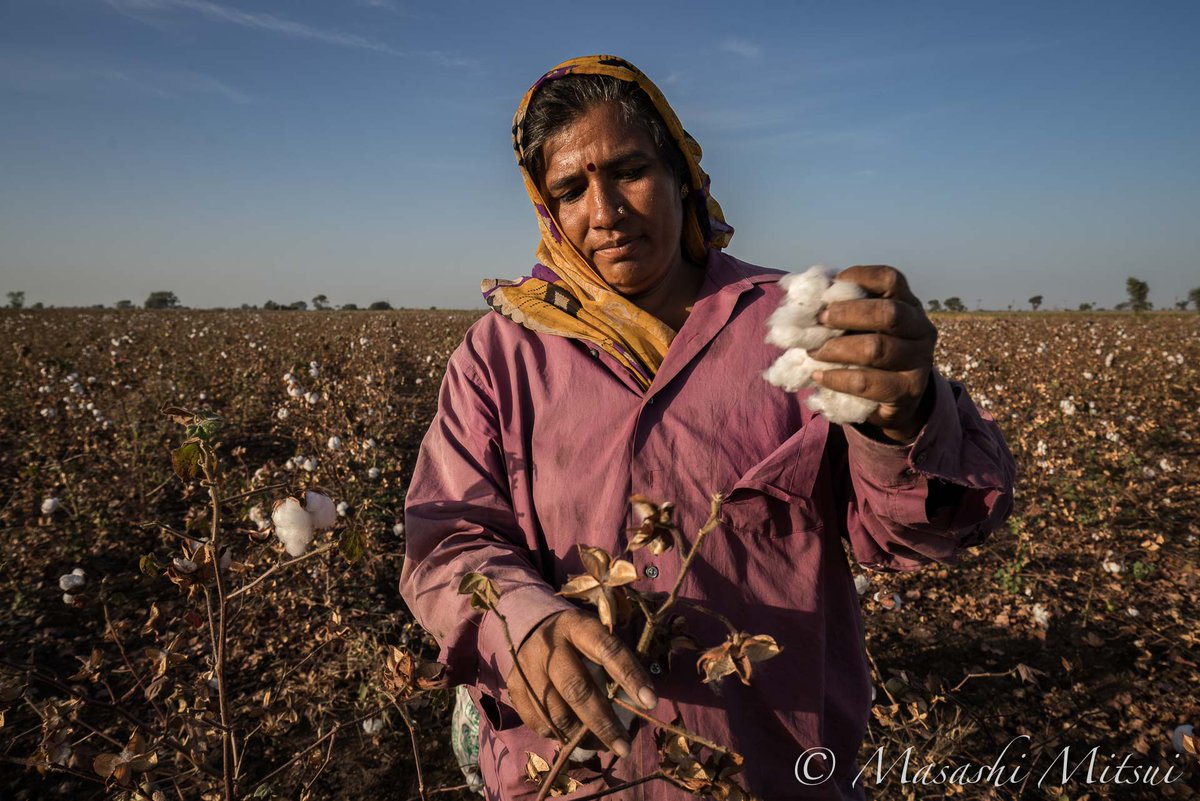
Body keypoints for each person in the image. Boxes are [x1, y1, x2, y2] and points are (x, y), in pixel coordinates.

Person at [399, 55, 1015, 800]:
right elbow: (448, 540)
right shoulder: (499, 356)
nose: (605, 211)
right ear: (546, 210)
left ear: (680, 173)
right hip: (571, 776)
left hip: (769, 767)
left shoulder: (794, 326)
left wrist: (903, 415)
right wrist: (524, 627)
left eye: (629, 170)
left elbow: (911, 531)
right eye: (570, 188)